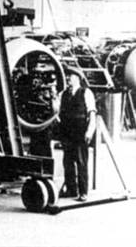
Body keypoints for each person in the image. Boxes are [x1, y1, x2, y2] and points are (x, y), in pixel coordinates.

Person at [57, 69, 96, 202]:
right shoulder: (63, 94)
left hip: (80, 133)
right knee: (67, 162)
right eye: (67, 76)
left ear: (78, 78)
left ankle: (83, 192)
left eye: (71, 76)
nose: (68, 78)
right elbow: (57, 112)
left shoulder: (86, 93)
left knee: (81, 162)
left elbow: (92, 113)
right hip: (67, 133)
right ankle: (71, 190)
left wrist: (89, 131)